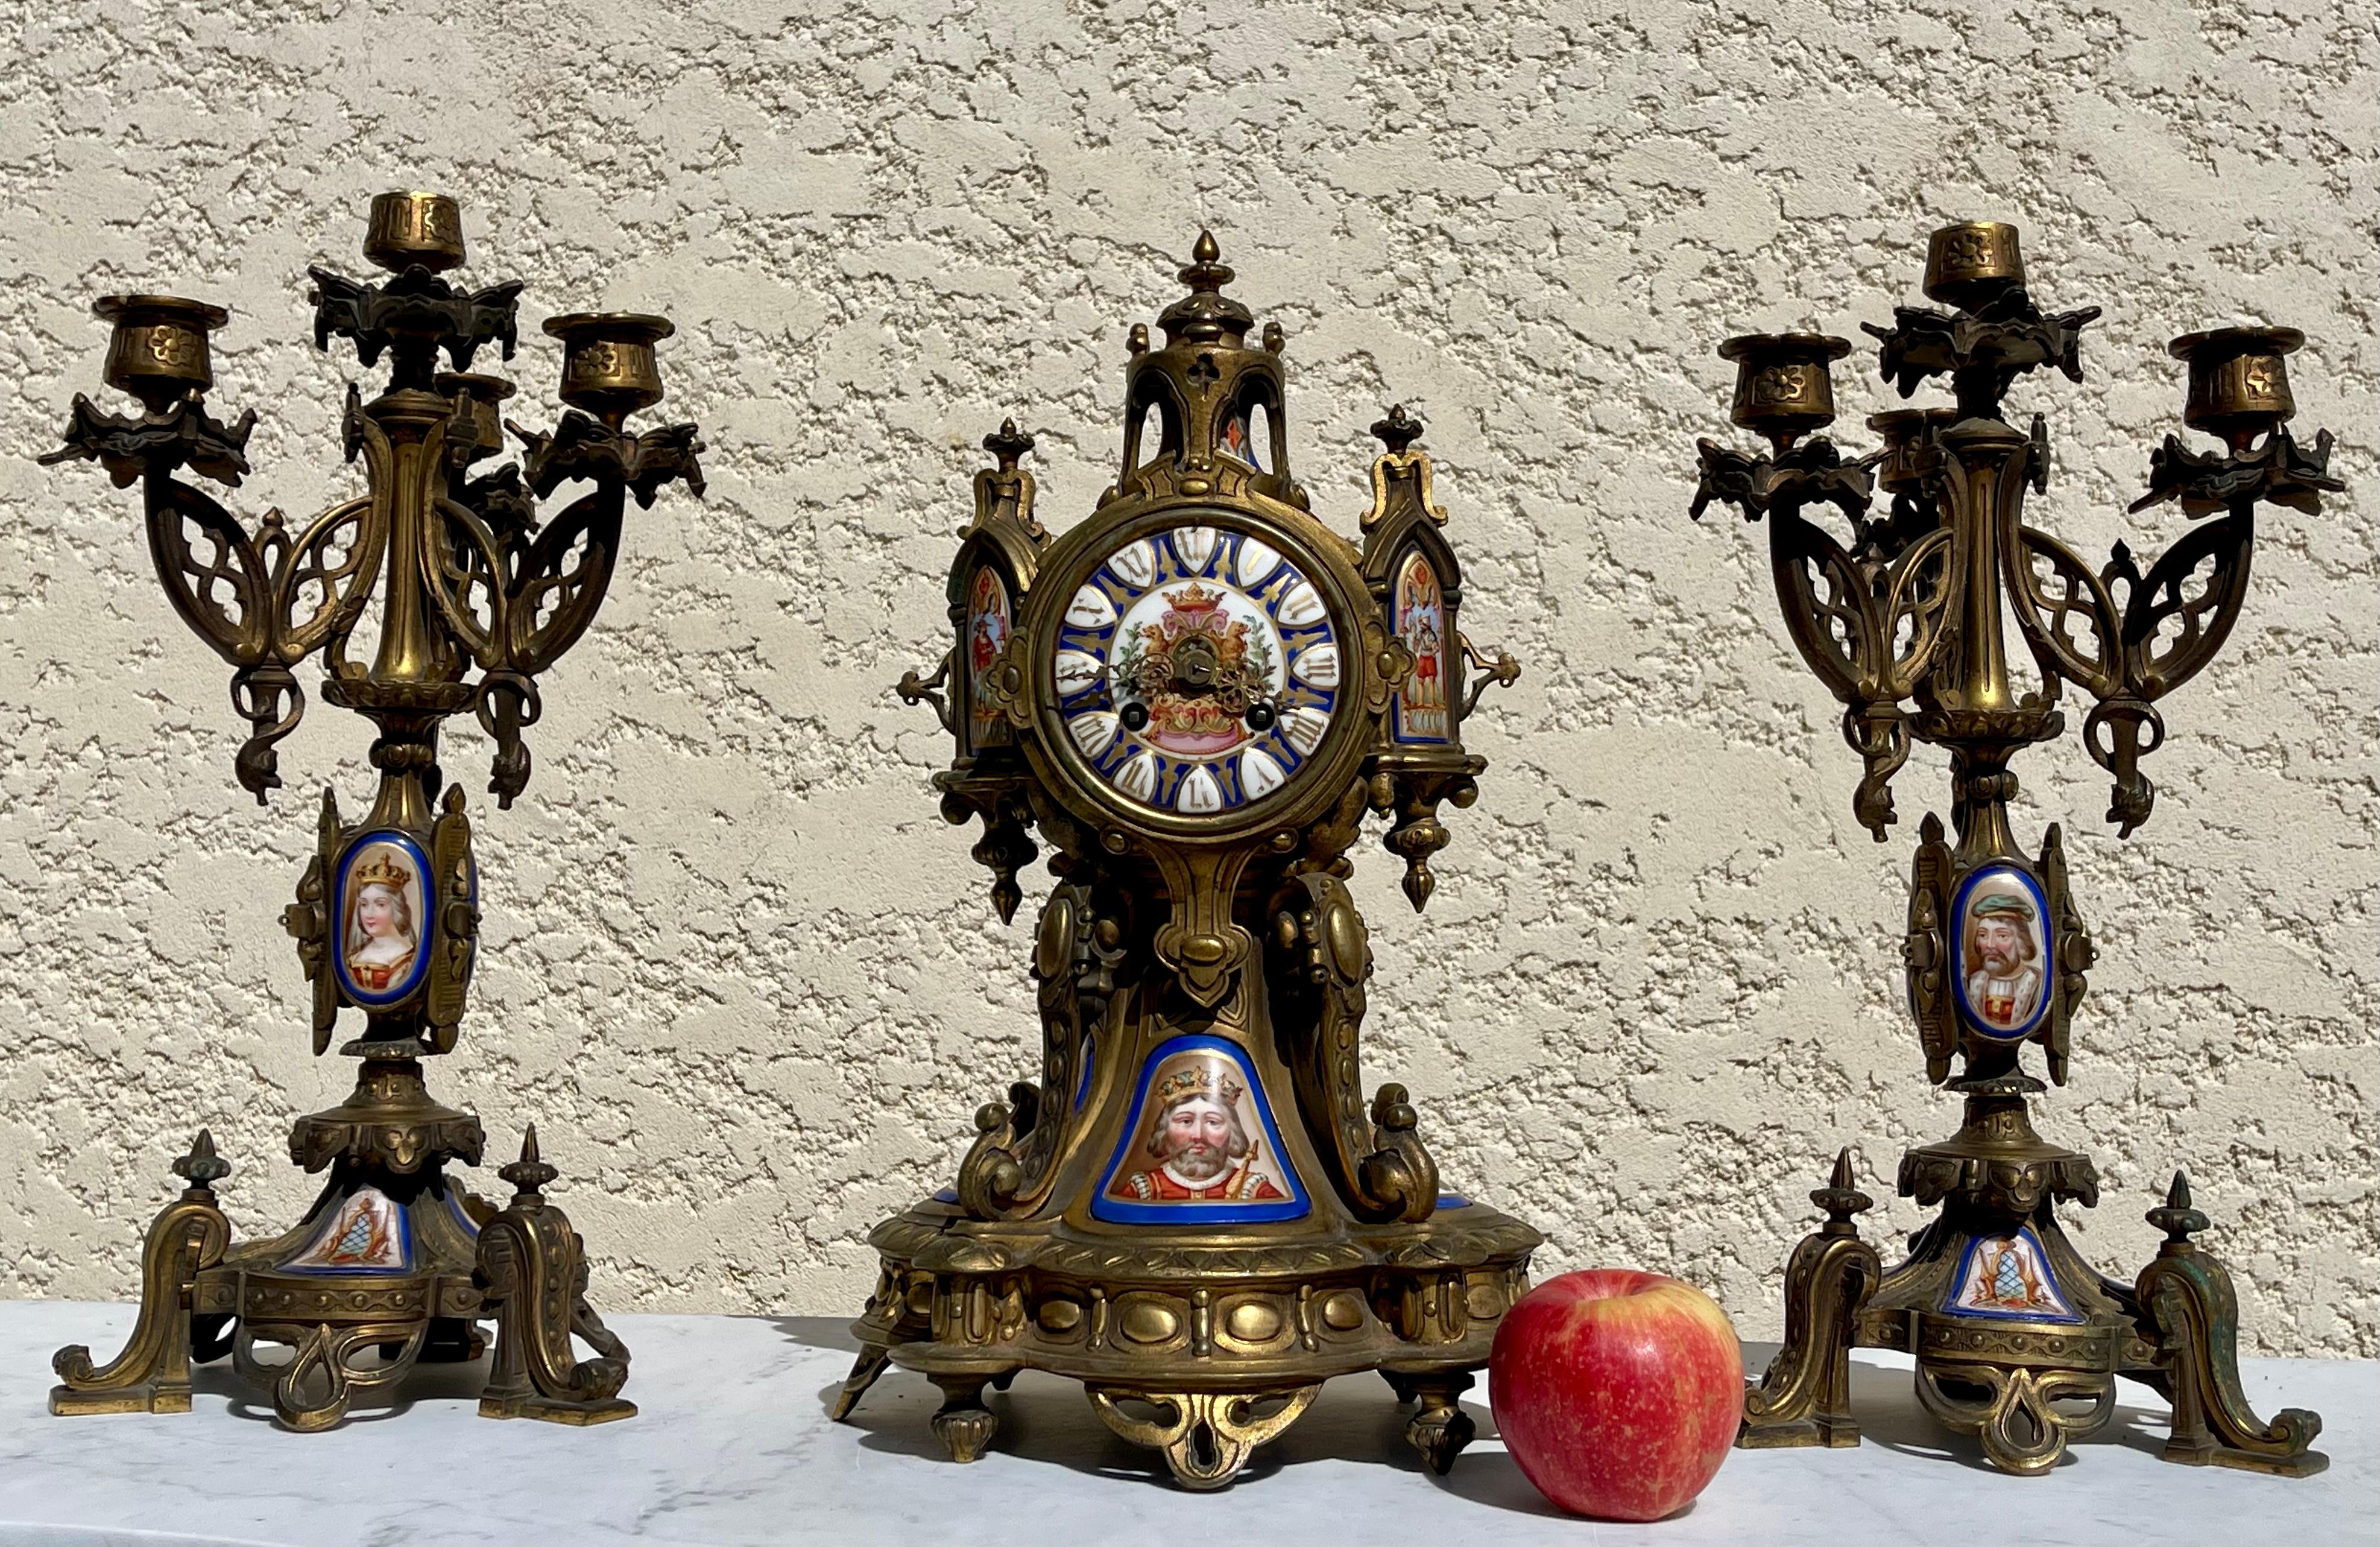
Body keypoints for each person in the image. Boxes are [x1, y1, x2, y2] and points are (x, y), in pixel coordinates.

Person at [1110, 1061, 1287, 1202]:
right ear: (1164, 1132)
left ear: (1233, 1133)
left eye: (1213, 1122)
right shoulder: (1144, 1190)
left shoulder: (1254, 1189)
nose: (1199, 1136)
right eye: (1186, 1121)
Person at [1963, 890, 2042, 1030]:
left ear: (2022, 943)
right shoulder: (1973, 982)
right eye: (1983, 935)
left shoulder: (2037, 986)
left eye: (2002, 936)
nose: (1990, 945)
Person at [343, 851, 419, 993]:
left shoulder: (407, 959)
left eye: (380, 905)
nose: (369, 914)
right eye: (364, 905)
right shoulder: (356, 956)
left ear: (397, 909)